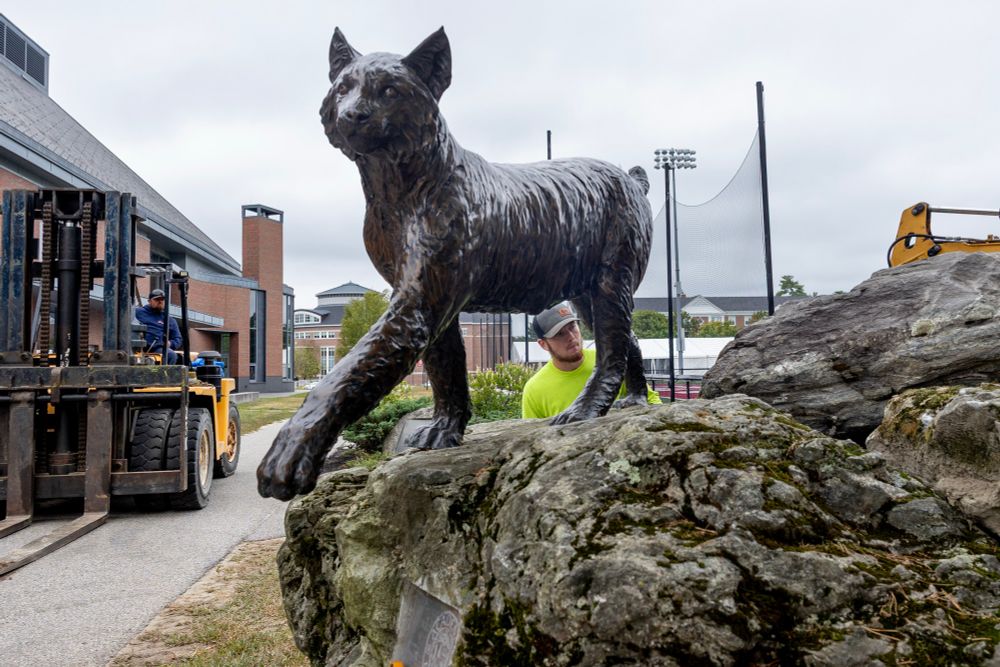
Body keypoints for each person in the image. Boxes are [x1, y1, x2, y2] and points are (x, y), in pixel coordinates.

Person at [521, 301, 661, 419]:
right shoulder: (534, 389)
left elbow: (650, 400)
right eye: (560, 334)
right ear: (543, 344)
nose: (571, 337)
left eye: (572, 327)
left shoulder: (612, 361)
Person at [135, 288, 183, 364]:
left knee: (171, 355)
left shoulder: (169, 320)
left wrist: (170, 343)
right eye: (157, 299)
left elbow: (178, 339)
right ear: (149, 301)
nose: (160, 302)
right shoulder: (137, 312)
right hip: (136, 348)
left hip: (157, 349)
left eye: (162, 300)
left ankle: (166, 375)